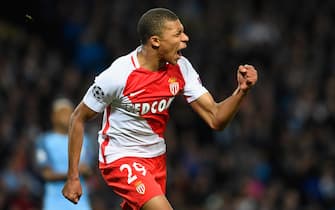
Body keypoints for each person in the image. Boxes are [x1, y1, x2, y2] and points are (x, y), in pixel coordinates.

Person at [62, 7, 258, 210]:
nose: (186, 38)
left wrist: (241, 91)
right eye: (177, 34)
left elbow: (216, 118)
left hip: (156, 161)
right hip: (121, 158)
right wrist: (73, 177)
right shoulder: (119, 75)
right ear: (155, 41)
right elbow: (78, 117)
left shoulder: (181, 67)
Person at [35, 98, 93, 210]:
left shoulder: (85, 140)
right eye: (62, 112)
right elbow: (46, 174)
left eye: (70, 112)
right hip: (54, 202)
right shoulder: (43, 141)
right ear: (53, 116)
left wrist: (64, 174)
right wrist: (75, 173)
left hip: (80, 201)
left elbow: (88, 170)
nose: (67, 116)